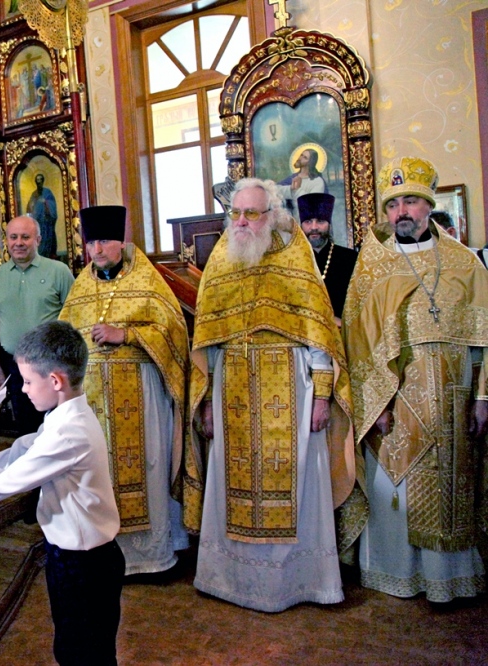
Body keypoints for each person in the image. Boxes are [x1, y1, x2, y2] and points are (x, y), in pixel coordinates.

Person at [183, 178, 359, 613]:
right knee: (233, 476)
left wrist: (322, 395)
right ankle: (231, 579)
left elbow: (318, 333)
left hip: (291, 388)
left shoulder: (295, 255)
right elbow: (208, 340)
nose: (242, 222)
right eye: (236, 213)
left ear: (272, 214)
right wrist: (207, 402)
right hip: (232, 389)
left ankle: (296, 582)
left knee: (297, 477)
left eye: (251, 213)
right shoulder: (222, 258)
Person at [0, 320, 123, 666]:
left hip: (84, 565)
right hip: (74, 557)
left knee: (85, 655)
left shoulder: (68, 433)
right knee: (74, 649)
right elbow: (16, 454)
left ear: (55, 381)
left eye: (29, 381)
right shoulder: (65, 417)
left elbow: (3, 483)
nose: (24, 389)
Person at [343, 156, 488, 603]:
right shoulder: (373, 267)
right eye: (392, 205)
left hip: (456, 399)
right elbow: (359, 343)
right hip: (397, 398)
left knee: (453, 489)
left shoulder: (465, 262)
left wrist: (484, 397)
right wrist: (375, 405)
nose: (401, 212)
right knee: (396, 489)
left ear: (428, 205)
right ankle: (396, 573)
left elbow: (486, 339)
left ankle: (449, 579)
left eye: (410, 202)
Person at [58, 205, 189, 575]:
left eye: (104, 241)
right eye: (91, 243)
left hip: (141, 395)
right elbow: (65, 335)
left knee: (147, 467)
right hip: (92, 399)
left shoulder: (147, 280)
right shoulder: (82, 285)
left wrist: (127, 334)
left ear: (121, 241)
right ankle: (102, 553)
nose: (97, 250)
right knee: (98, 470)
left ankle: (150, 558)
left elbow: (174, 332)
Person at [0, 215, 74, 434]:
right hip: (14, 366)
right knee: (26, 432)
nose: (19, 243)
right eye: (13, 237)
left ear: (38, 240)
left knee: (58, 430)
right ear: (6, 241)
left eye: (25, 237)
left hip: (53, 364)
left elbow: (75, 318)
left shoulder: (59, 271)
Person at [297, 192, 358, 321]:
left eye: (320, 221)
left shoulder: (351, 259)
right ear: (301, 225)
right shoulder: (290, 260)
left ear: (329, 224)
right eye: (308, 221)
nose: (314, 227)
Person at [277, 148, 327, 217]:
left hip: (307, 220)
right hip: (292, 220)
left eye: (305, 157)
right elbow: (276, 190)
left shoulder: (317, 182)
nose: (300, 158)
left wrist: (297, 190)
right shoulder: (292, 178)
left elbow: (312, 205)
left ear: (310, 163)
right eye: (301, 155)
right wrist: (291, 189)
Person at [26, 173, 59, 258]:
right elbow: (30, 207)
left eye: (40, 180)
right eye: (37, 180)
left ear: (43, 181)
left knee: (48, 239)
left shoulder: (47, 192)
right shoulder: (34, 194)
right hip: (38, 222)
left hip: (47, 222)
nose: (39, 182)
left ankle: (50, 255)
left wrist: (45, 202)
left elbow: (52, 205)